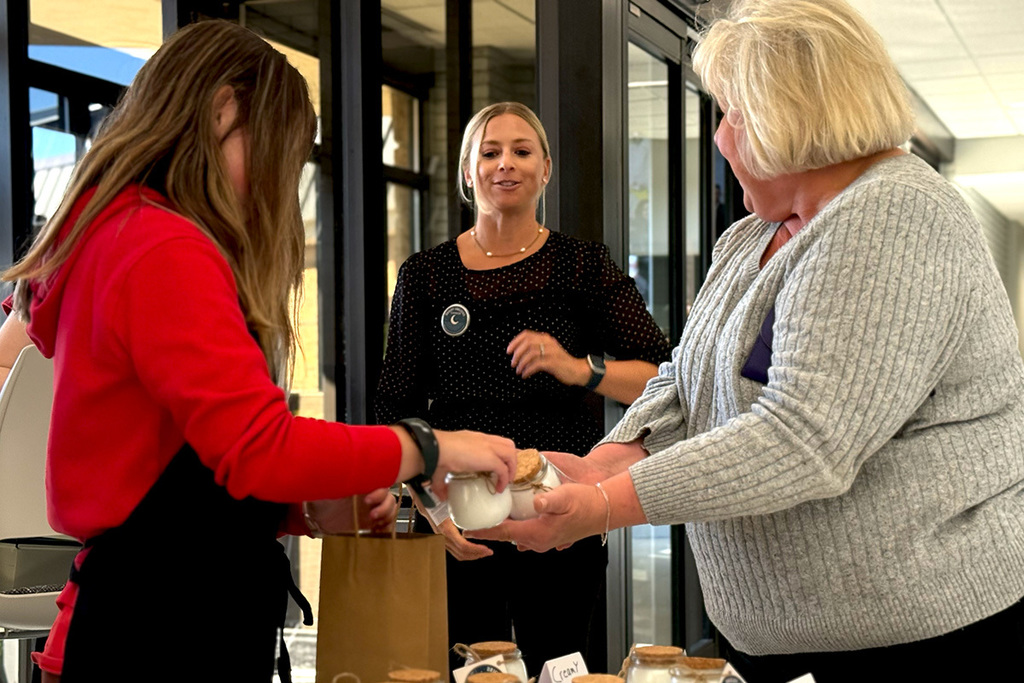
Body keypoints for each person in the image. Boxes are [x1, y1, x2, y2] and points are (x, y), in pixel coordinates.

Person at [469, 2, 1024, 681]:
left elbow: (804, 439)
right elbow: (686, 376)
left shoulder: (897, 216)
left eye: (733, 115)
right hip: (782, 645)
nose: (721, 139)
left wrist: (608, 504)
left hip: (917, 641)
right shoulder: (751, 236)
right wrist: (609, 458)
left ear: (790, 119)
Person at [1, 20, 517, 683]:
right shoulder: (162, 247)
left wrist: (305, 503)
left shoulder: (116, 232)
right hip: (159, 634)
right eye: (280, 151)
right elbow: (257, 447)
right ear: (222, 110)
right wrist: (430, 445)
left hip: (140, 621)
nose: (281, 181)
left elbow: (175, 451)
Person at [375, 101, 672, 675]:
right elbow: (395, 409)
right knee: (469, 668)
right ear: (468, 171)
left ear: (545, 169)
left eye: (520, 151)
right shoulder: (426, 275)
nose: (504, 164)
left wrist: (578, 367)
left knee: (559, 663)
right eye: (489, 152)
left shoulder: (583, 266)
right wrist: (435, 514)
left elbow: (663, 377)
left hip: (559, 509)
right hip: (460, 513)